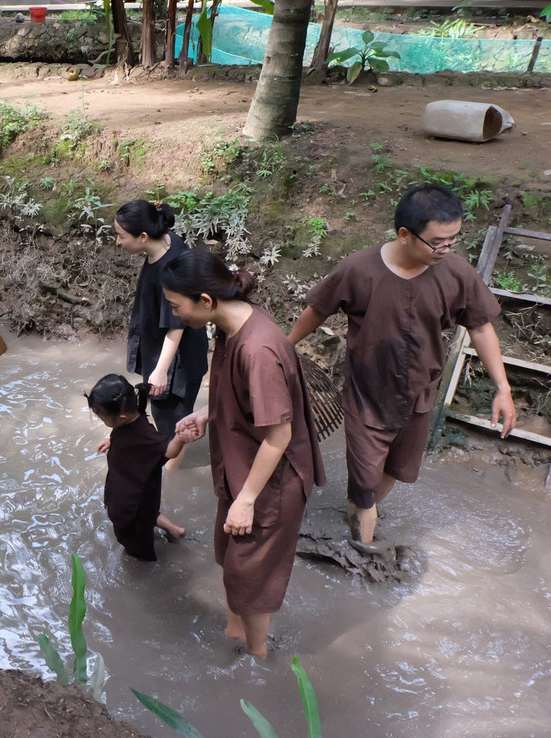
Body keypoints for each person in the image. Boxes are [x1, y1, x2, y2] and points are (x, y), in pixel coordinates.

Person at [288, 184, 516, 548]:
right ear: (405, 235)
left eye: (453, 239)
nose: (446, 248)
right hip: (366, 397)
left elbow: (481, 325)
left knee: (396, 471)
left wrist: (503, 388)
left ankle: (360, 513)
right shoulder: (358, 269)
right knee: (363, 488)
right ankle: (362, 549)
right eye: (438, 241)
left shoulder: (455, 272)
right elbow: (318, 310)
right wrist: (284, 348)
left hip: (420, 395)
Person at [163, 249, 325, 659]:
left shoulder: (258, 350)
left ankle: (257, 657)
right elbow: (241, 397)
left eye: (176, 306)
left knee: (250, 574)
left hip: (270, 481)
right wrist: (207, 413)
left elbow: (279, 436)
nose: (175, 316)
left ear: (205, 300)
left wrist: (247, 500)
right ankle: (237, 625)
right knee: (230, 554)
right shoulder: (230, 324)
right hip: (239, 466)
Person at [114, 199, 208, 469]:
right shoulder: (165, 241)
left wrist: (160, 370)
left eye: (121, 236)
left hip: (176, 361)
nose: (118, 242)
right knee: (169, 419)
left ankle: (170, 473)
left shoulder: (170, 269)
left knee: (172, 425)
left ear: (143, 236)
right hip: (173, 351)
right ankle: (169, 463)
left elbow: (176, 325)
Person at [87, 373, 186, 562]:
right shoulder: (130, 421)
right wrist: (112, 439)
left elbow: (169, 450)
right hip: (132, 487)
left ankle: (144, 562)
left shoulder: (144, 435)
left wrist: (181, 437)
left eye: (102, 418)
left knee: (134, 541)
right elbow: (122, 431)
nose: (102, 421)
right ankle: (175, 530)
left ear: (121, 417)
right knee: (146, 514)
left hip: (133, 499)